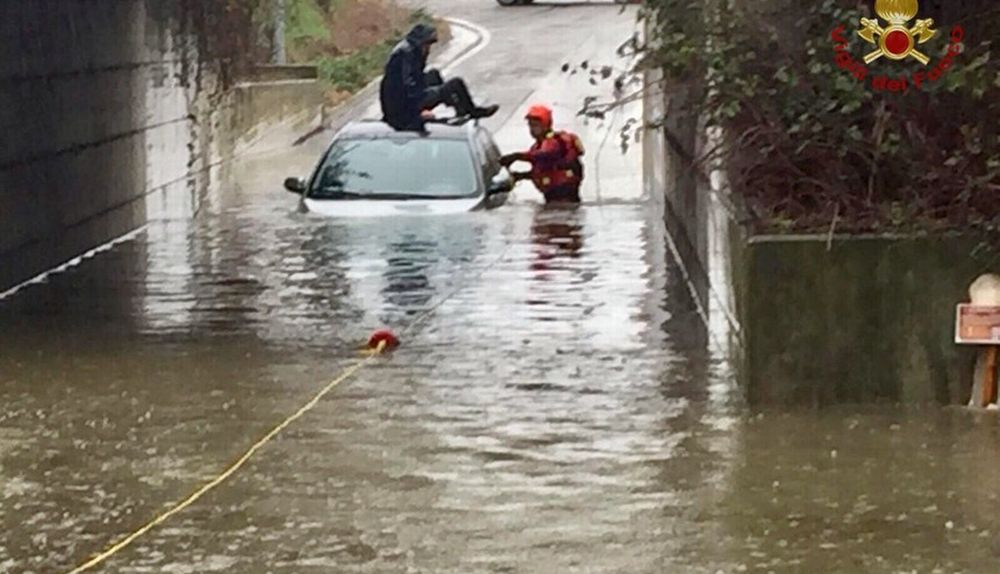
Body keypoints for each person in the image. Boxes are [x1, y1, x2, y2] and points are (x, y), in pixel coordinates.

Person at [379, 23, 498, 132]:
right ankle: (472, 111)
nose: (429, 50)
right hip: (404, 105)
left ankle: (455, 104)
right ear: (422, 43)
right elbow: (408, 86)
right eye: (427, 45)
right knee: (455, 84)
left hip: (404, 99)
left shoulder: (408, 49)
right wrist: (418, 111)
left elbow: (414, 80)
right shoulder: (408, 54)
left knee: (433, 74)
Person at [500, 105, 585, 204]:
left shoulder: (554, 142)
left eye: (536, 125)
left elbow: (544, 155)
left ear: (545, 125)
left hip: (563, 195)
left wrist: (516, 156)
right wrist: (521, 176)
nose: (532, 129)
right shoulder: (537, 146)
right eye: (530, 125)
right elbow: (542, 170)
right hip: (553, 195)